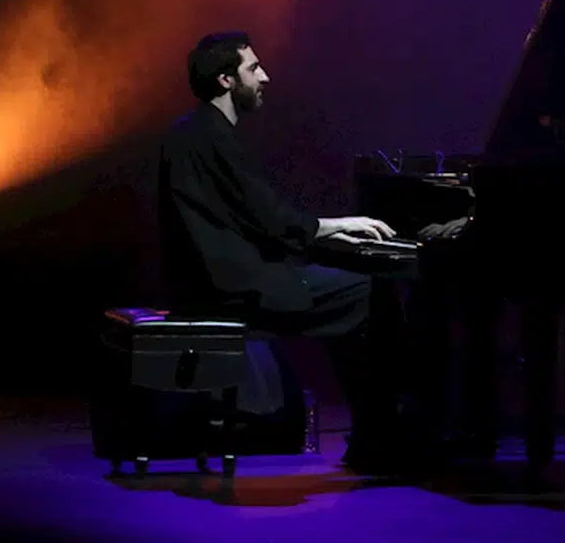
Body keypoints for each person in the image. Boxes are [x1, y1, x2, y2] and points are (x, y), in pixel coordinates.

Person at [156, 30, 412, 473]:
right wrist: (336, 225)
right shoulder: (213, 136)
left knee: (351, 293)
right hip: (233, 287)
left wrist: (320, 237)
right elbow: (269, 216)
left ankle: (374, 436)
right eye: (253, 68)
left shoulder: (192, 131)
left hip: (208, 280)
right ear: (225, 80)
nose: (265, 78)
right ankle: (384, 436)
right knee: (370, 293)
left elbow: (249, 218)